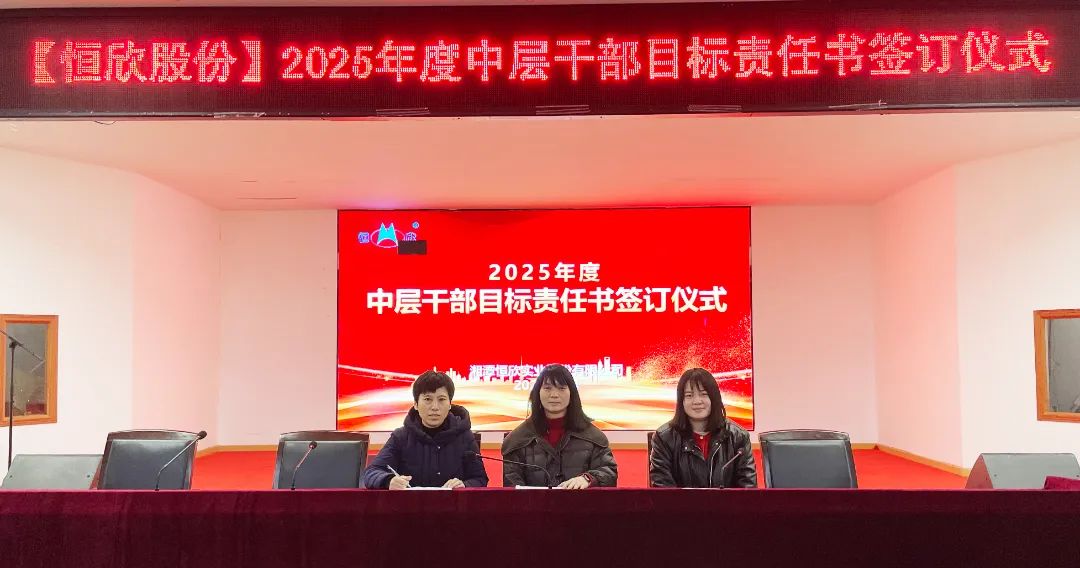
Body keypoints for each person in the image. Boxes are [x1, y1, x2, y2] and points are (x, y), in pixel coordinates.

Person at [363, 370, 488, 489]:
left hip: (452, 503)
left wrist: (464, 485)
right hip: (412, 503)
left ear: (450, 404)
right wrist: (389, 480)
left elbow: (480, 478)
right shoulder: (401, 437)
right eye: (428, 399)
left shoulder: (465, 437)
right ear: (416, 404)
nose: (435, 407)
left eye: (441, 399)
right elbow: (372, 472)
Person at [501, 364, 617, 488]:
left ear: (572, 393)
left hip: (580, 501)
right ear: (537, 393)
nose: (554, 395)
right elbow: (512, 487)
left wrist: (588, 479)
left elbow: (609, 473)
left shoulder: (593, 437)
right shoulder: (516, 440)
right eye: (547, 388)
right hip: (533, 501)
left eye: (561, 388)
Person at [649, 367, 757, 488]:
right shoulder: (664, 438)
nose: (697, 401)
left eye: (703, 394)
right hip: (679, 502)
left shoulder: (738, 436)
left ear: (714, 398)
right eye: (689, 395)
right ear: (681, 401)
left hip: (728, 502)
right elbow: (663, 490)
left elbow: (748, 489)